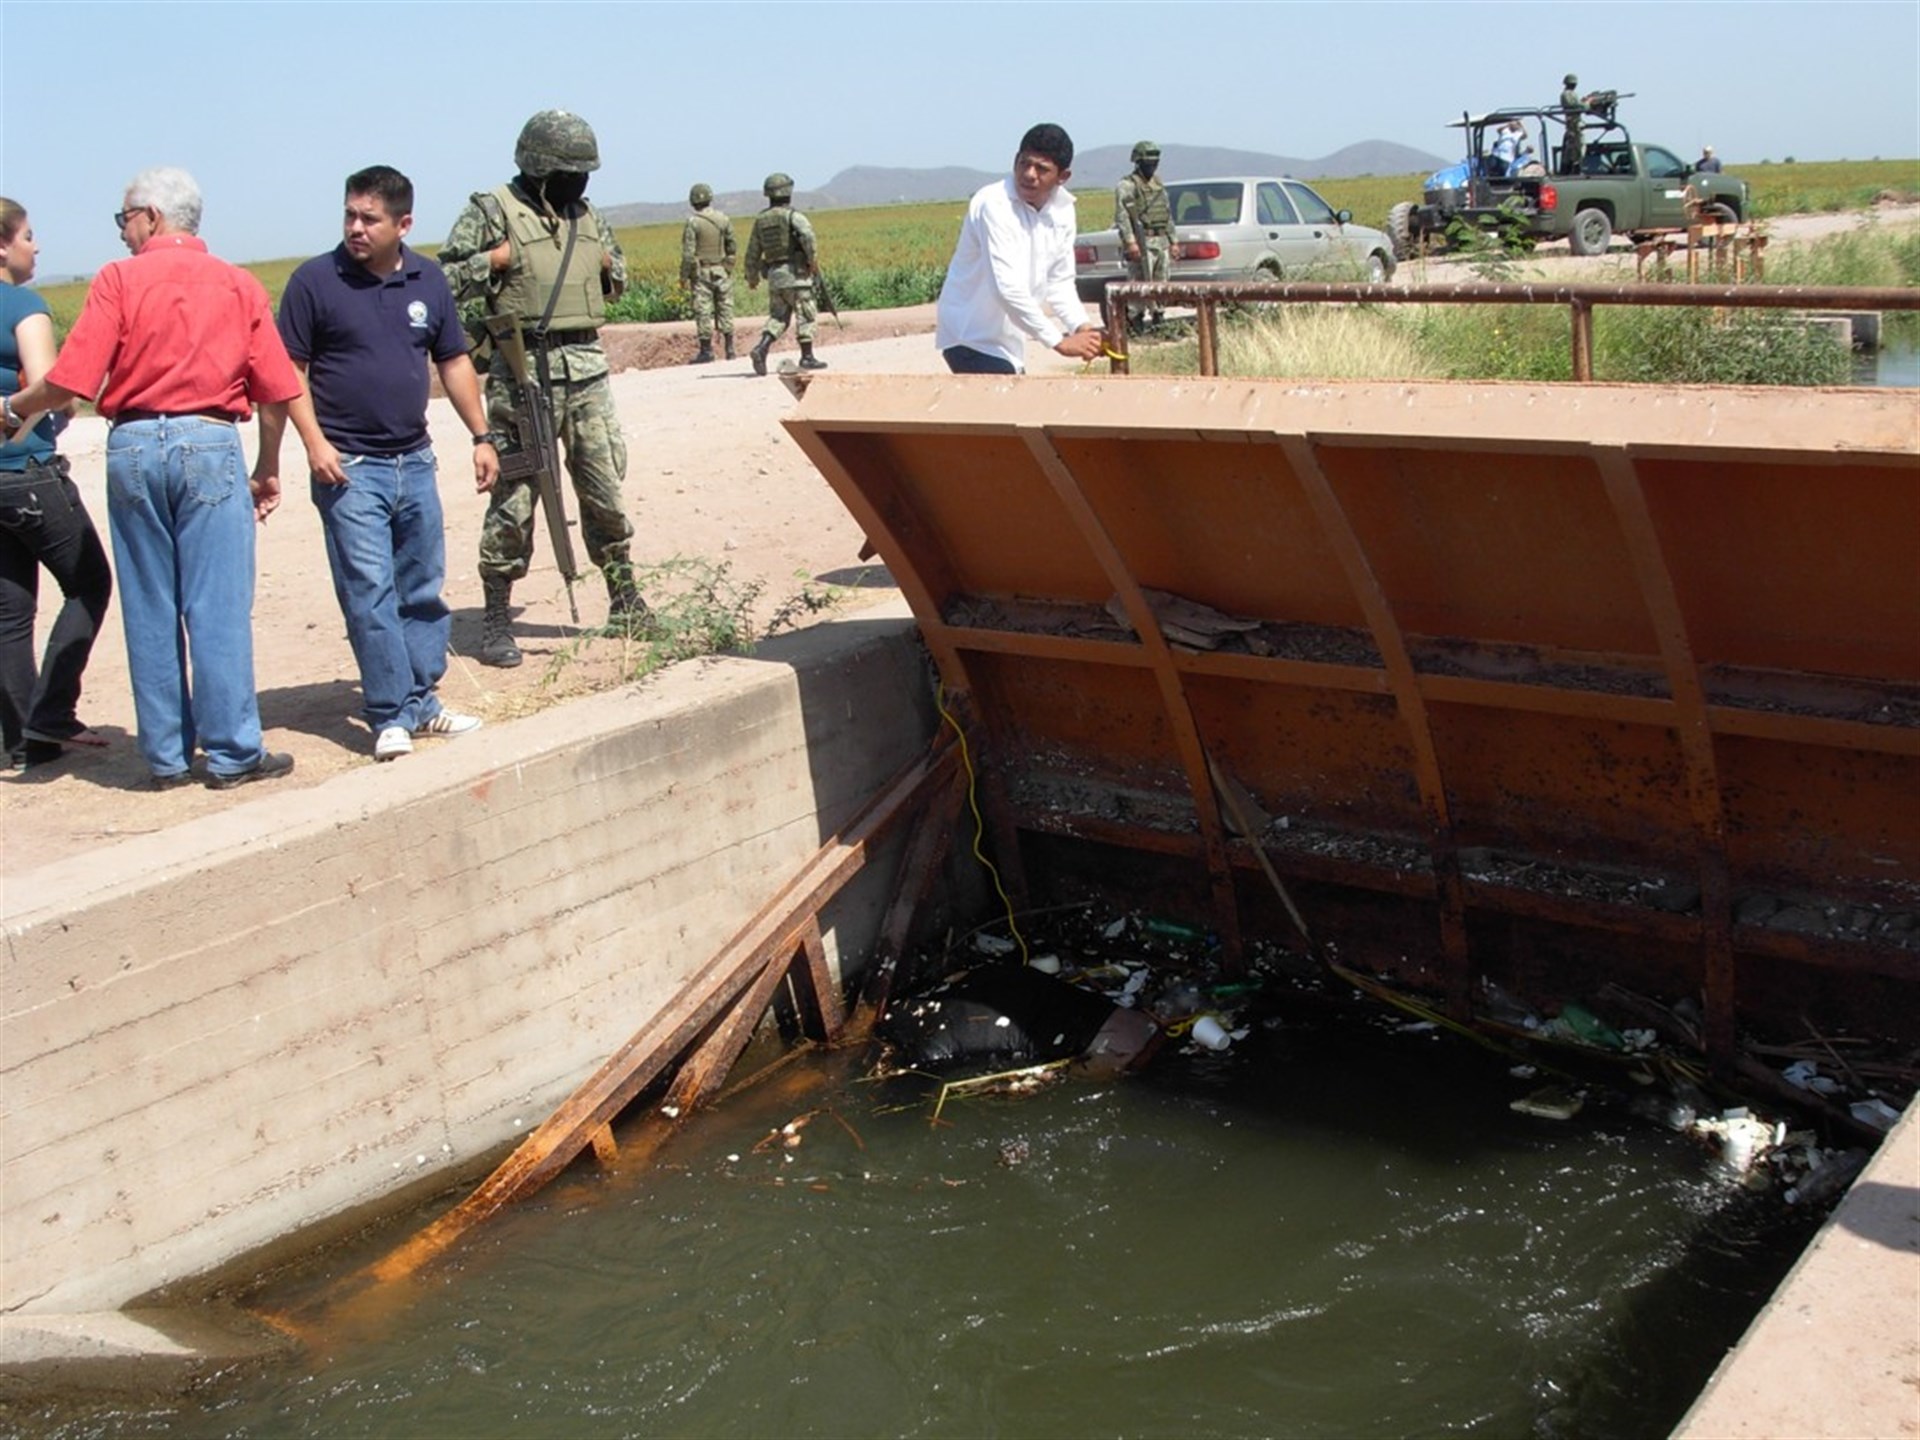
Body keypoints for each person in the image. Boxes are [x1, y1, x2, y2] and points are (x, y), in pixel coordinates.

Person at [5, 168, 299, 790]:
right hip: (209, 440)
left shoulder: (118, 280)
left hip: (134, 444)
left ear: (153, 217)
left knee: (150, 604)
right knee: (217, 606)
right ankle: (232, 752)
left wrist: (15, 406)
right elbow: (277, 388)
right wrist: (266, 466)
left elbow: (72, 380)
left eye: (124, 220)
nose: (121, 234)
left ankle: (165, 756)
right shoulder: (238, 284)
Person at [279, 166, 498, 762]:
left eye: (369, 218)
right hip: (348, 465)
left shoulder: (429, 279)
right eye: (350, 214)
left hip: (414, 461)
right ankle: (387, 714)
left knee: (422, 588)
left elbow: (452, 361)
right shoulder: (314, 283)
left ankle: (422, 701)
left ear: (403, 224)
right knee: (369, 592)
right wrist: (314, 444)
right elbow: (288, 373)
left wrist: (481, 435)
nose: (355, 227)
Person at [439, 110, 641, 669]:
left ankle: (626, 600)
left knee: (605, 487)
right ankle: (498, 617)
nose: (579, 183)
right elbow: (443, 280)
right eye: (568, 172)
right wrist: (495, 260)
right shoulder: (491, 210)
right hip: (522, 372)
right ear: (537, 166)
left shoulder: (588, 214)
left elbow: (617, 278)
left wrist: (606, 264)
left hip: (587, 370)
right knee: (517, 496)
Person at [0, 199, 113, 772]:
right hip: (26, 470)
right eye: (28, 235)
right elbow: (52, 384)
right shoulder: (22, 303)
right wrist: (65, 405)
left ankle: (21, 742)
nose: (36, 246)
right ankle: (53, 714)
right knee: (90, 582)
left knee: (10, 611)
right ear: (2, 245)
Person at [934, 122, 1106, 375]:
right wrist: (1058, 341)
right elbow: (1006, 287)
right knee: (1009, 408)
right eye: (1025, 163)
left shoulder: (1063, 211)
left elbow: (1059, 281)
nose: (1029, 174)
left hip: (1008, 342)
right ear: (1015, 160)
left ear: (1063, 177)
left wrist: (1081, 327)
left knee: (1012, 408)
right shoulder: (994, 204)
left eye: (1042, 168)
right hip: (968, 336)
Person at [744, 173, 825, 376]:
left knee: (778, 317)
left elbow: (752, 253)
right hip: (796, 274)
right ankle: (807, 357)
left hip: (775, 276)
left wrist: (752, 278)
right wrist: (812, 261)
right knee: (806, 314)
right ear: (788, 191)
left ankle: (761, 348)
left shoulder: (760, 220)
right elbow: (808, 236)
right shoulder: (793, 216)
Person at [1114, 140, 1180, 330]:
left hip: (1161, 241)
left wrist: (1173, 241)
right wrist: (1130, 242)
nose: (1152, 166)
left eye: (1154, 163)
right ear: (1138, 162)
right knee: (1139, 283)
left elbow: (1167, 215)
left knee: (1161, 282)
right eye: (1148, 163)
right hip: (1142, 241)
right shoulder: (1127, 185)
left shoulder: (1158, 184)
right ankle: (1136, 322)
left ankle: (1159, 319)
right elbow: (1122, 216)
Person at [681, 183, 736, 365]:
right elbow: (732, 247)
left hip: (702, 273)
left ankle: (706, 351)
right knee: (725, 308)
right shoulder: (723, 219)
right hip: (721, 270)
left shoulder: (693, 222)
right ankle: (730, 348)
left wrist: (684, 277)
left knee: (703, 311)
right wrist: (727, 267)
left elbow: (688, 254)